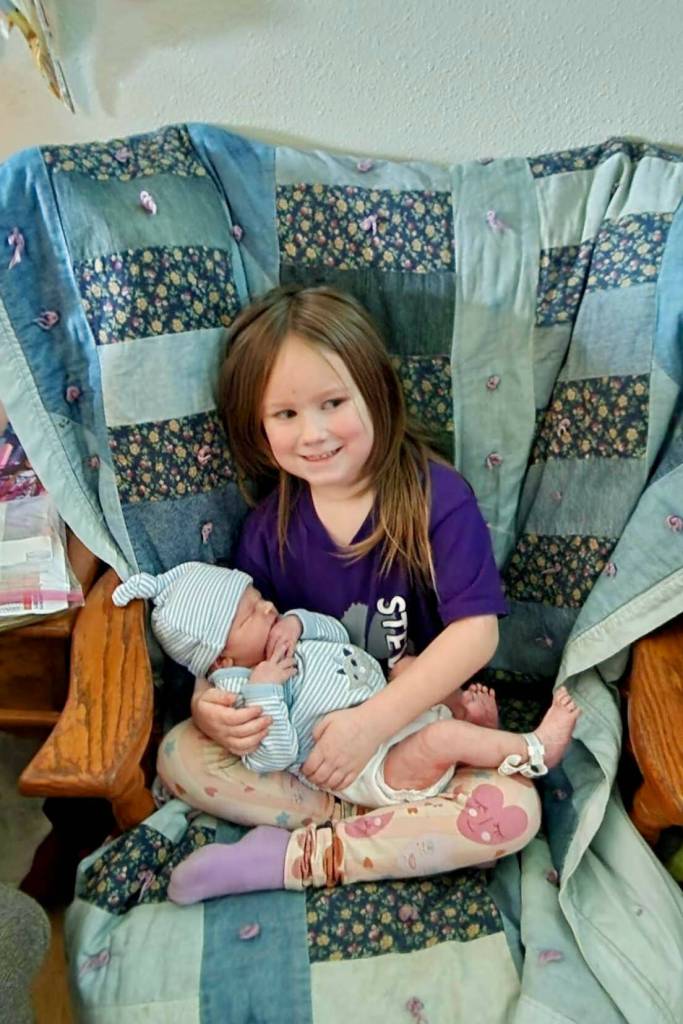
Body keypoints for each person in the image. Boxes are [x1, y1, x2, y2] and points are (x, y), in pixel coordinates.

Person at [157, 284, 579, 897]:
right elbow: (228, 641)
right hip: (309, 747)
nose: (314, 433)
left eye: (333, 402)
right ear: (259, 424)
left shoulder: (438, 497)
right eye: (286, 414)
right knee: (179, 753)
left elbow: (477, 631)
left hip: (413, 727)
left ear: (375, 392)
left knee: (514, 811)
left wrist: (371, 726)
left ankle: (297, 856)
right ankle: (397, 836)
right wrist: (209, 706)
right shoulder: (267, 531)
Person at [114, 562, 580, 819]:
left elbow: (340, 636)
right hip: (378, 766)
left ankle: (473, 724)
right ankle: (533, 749)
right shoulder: (241, 694)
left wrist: (300, 622)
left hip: (389, 713)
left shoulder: (281, 635)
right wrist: (266, 693)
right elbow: (272, 757)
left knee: (415, 669)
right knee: (440, 741)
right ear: (220, 659)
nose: (268, 608)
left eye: (259, 599)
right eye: (249, 614)